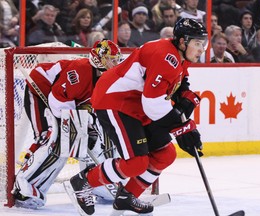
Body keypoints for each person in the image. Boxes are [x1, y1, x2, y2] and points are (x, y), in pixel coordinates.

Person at [65, 18, 206, 215]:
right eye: (197, 43)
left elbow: (180, 82)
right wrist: (182, 128)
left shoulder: (179, 57)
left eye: (203, 43)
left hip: (136, 104)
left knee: (165, 154)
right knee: (135, 163)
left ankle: (126, 196)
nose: (201, 49)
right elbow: (154, 104)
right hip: (114, 101)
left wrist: (185, 96)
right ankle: (82, 181)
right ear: (183, 41)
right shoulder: (165, 56)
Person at [12, 39, 123, 209]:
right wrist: (81, 124)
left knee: (100, 136)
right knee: (50, 137)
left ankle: (100, 184)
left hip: (67, 100)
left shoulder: (108, 79)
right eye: (112, 59)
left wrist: (89, 124)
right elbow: (58, 99)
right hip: (41, 90)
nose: (116, 63)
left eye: (117, 59)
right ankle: (24, 186)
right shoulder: (81, 71)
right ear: (99, 59)